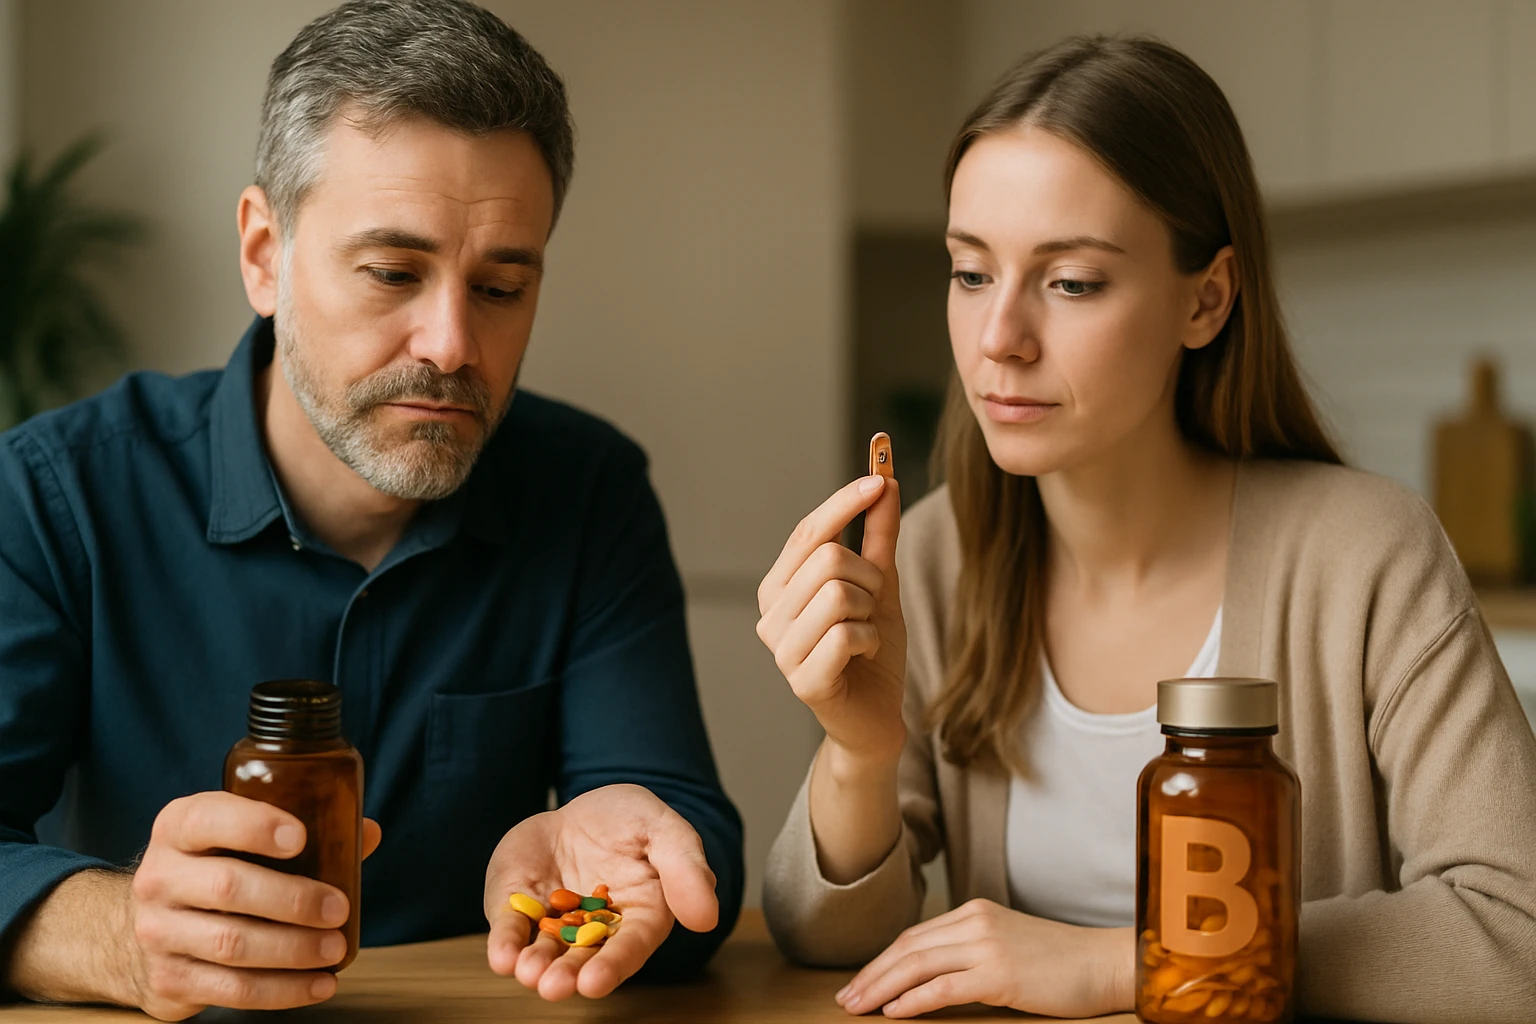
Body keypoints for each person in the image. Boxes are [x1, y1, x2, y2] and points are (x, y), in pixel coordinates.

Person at [757, 34, 1536, 1024]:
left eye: (1072, 281)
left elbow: (1517, 940)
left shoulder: (1365, 555)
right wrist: (858, 753)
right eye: (969, 273)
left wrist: (1127, 963)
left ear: (1206, 299)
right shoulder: (935, 553)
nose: (999, 339)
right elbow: (823, 937)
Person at [0, 1, 742, 1018]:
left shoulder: (588, 490)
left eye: (500, 286)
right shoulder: (58, 493)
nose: (449, 342)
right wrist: (124, 936)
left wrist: (634, 875)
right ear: (264, 253)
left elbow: (686, 843)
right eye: (394, 273)